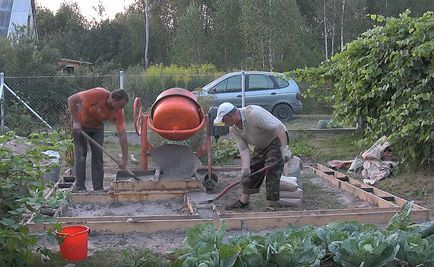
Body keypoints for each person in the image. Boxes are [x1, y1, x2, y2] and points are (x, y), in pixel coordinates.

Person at [213, 102, 292, 210]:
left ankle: (272, 205)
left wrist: (284, 149)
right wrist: (245, 170)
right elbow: (244, 149)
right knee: (253, 168)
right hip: (262, 143)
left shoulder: (254, 114)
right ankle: (243, 202)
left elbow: (278, 128)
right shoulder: (234, 129)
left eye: (224, 120)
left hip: (276, 138)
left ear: (231, 116)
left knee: (271, 168)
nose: (224, 123)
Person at [68, 87, 129, 191]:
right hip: (81, 126)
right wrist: (76, 121)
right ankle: (80, 187)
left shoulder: (118, 111)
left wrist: (124, 159)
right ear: (114, 99)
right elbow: (71, 100)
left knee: (98, 158)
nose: (121, 108)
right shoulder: (96, 94)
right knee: (81, 156)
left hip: (97, 128)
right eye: (120, 105)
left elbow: (122, 134)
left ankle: (98, 188)